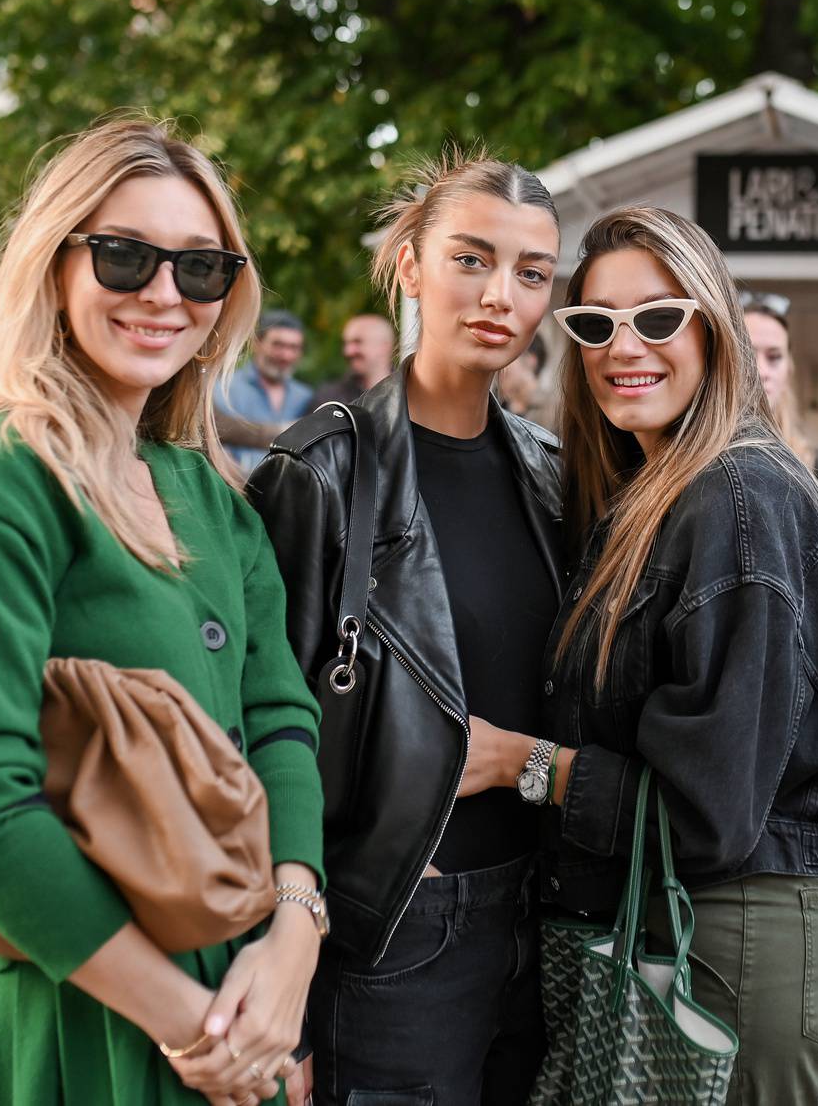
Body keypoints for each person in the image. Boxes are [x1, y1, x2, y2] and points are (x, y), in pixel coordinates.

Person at [0, 118, 325, 1106]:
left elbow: (282, 722)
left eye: (201, 268)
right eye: (126, 255)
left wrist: (292, 944)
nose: (164, 293)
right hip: (93, 1018)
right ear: (54, 266)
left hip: (247, 1002)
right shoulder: (1, 475)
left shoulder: (213, 495)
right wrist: (192, 1027)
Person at [514, 205, 818, 1104]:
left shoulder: (732, 494)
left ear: (714, 326)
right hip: (714, 926)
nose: (623, 345)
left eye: (657, 316)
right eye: (596, 323)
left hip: (743, 936)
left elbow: (707, 810)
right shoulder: (662, 486)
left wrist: (528, 765)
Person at [250, 148, 564, 1106]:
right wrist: (284, 988)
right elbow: (263, 729)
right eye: (470, 259)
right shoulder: (320, 471)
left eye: (531, 272)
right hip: (392, 925)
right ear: (408, 265)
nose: (499, 294)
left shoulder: (553, 474)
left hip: (540, 921)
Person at [742, 289, 818, 498]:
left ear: (789, 368)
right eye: (746, 353)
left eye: (774, 357)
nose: (760, 371)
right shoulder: (696, 461)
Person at [216, 309, 314, 469]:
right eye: (278, 345)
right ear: (257, 344)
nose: (286, 355)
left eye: (294, 347)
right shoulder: (225, 389)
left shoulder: (305, 396)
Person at [312, 312, 396, 408]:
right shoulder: (328, 397)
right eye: (346, 343)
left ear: (384, 346)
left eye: (358, 342)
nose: (348, 351)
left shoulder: (407, 393)